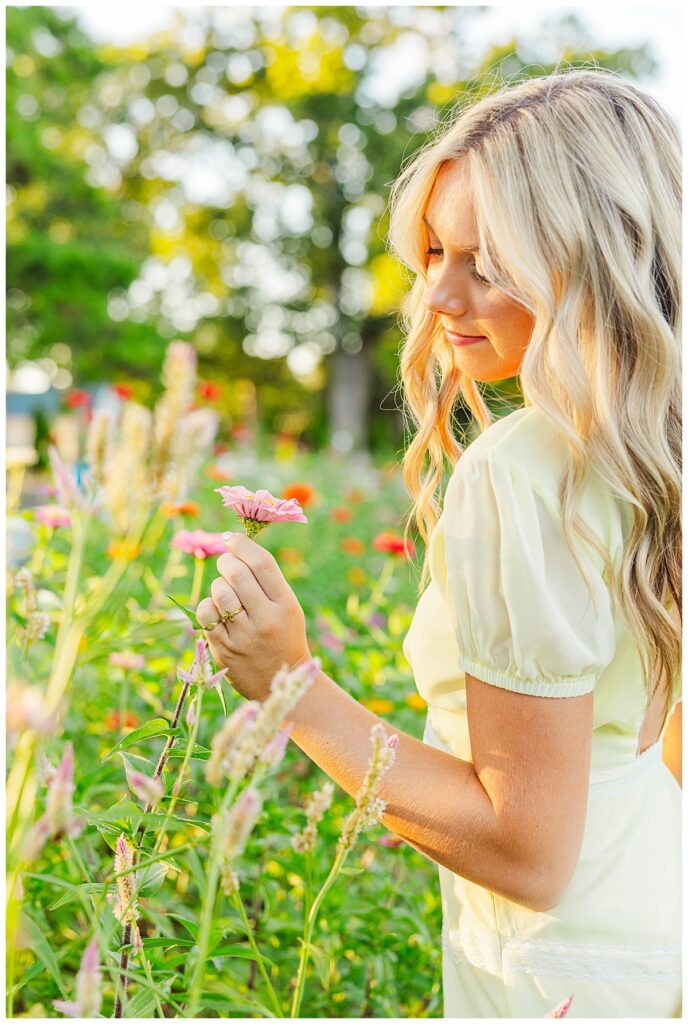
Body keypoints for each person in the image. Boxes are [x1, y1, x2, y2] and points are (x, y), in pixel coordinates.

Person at [198, 67, 682, 1017]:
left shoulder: (524, 470)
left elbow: (527, 855)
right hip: (658, 934)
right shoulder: (660, 445)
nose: (439, 297)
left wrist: (290, 688)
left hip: (555, 973)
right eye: (431, 251)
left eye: (490, 260)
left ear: (599, 256)